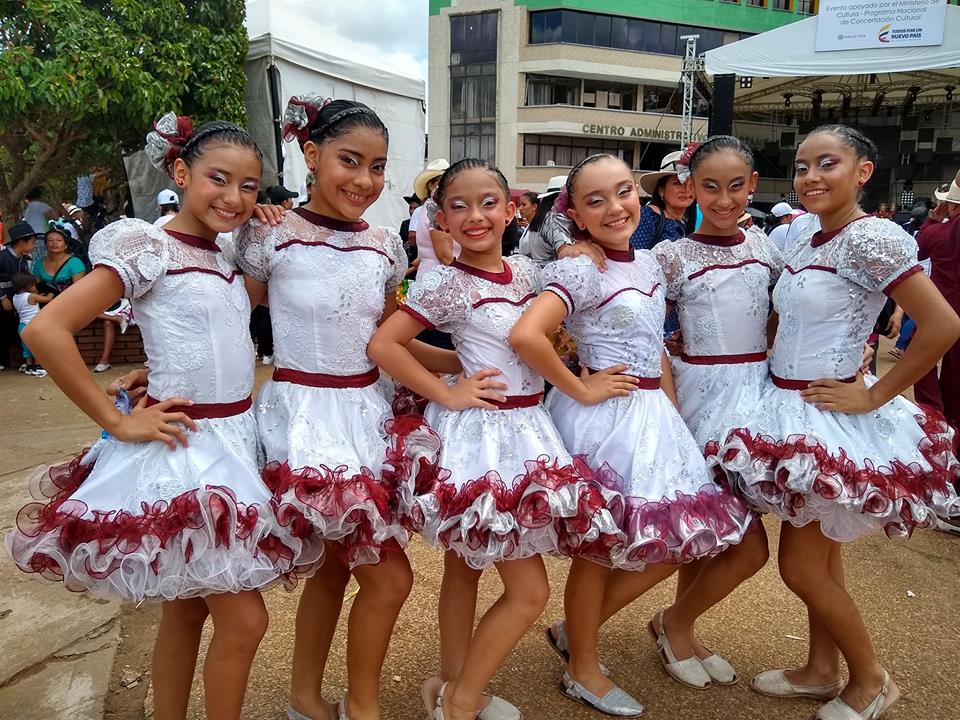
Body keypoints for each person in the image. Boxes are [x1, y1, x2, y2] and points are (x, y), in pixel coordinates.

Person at [6, 113, 315, 720]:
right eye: (218, 180)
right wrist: (116, 420)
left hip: (234, 441)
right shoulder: (149, 246)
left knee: (187, 607)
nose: (234, 197)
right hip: (186, 451)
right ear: (180, 172)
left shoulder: (227, 251)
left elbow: (207, 329)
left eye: (249, 186)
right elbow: (46, 329)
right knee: (245, 620)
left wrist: (161, 370)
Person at [714, 125, 960, 720]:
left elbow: (943, 326)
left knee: (800, 564)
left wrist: (873, 397)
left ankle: (872, 680)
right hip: (788, 410)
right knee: (821, 558)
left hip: (832, 416)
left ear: (863, 172)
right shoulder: (801, 237)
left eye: (828, 163)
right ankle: (823, 669)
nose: (811, 177)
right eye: (801, 167)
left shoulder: (872, 237)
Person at [370, 159, 614, 720]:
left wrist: (465, 360)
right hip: (481, 434)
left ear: (511, 210)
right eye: (459, 205)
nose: (475, 216)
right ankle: (459, 698)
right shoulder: (445, 283)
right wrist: (448, 389)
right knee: (525, 591)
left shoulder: (530, 273)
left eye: (488, 203)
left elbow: (525, 336)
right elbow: (385, 345)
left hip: (529, 429)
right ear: (442, 218)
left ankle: (452, 683)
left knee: (466, 565)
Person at [510, 153, 752, 715]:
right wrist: (580, 388)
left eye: (622, 192)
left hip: (653, 415)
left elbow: (655, 348)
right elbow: (528, 335)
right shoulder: (578, 269)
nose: (615, 207)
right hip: (606, 418)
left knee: (664, 541)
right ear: (575, 213)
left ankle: (577, 633)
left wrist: (669, 407)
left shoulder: (648, 264)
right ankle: (583, 669)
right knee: (599, 550)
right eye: (595, 200)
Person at [237, 95, 450, 720]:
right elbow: (228, 317)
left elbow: (386, 339)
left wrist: (459, 363)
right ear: (310, 154)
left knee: (338, 570)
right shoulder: (269, 235)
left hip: (368, 417)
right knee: (388, 577)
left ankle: (309, 701)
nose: (364, 180)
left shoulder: (387, 246)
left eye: (378, 167)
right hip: (303, 421)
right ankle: (361, 708)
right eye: (348, 161)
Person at [650, 136, 785, 690]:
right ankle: (673, 624)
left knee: (720, 533)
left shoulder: (767, 249)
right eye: (710, 187)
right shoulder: (671, 256)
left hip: (756, 395)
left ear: (752, 185)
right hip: (699, 399)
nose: (724, 199)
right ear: (691, 188)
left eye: (736, 186)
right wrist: (670, 400)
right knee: (728, 536)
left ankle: (681, 625)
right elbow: (641, 331)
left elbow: (780, 312)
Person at [913, 176, 960, 429]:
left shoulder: (939, 232)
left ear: (952, 205)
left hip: (941, 311)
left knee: (920, 358)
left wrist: (932, 219)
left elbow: (915, 251)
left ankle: (934, 415)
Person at [631, 150, 694, 251]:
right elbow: (635, 257)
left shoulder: (684, 224)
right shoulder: (648, 217)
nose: (685, 189)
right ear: (661, 190)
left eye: (690, 184)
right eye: (678, 183)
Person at [0, 222, 37, 371]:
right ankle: (2, 361)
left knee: (18, 328)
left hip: (18, 301)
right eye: (33, 242)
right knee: (2, 329)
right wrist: (2, 298)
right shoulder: (3, 257)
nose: (35, 246)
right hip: (3, 300)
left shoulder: (23, 259)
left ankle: (24, 361)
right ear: (22, 242)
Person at [4, 272, 53, 375]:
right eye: (33, 285)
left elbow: (28, 302)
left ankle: (29, 366)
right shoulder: (32, 296)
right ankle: (38, 366)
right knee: (38, 346)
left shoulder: (14, 297)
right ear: (27, 286)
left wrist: (37, 296)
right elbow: (47, 299)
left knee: (26, 347)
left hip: (22, 326)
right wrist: (50, 293)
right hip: (33, 326)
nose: (35, 287)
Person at [23, 186, 57, 259]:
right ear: (40, 195)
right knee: (44, 259)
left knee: (34, 260)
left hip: (30, 238)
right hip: (41, 236)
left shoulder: (27, 209)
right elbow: (55, 217)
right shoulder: (42, 206)